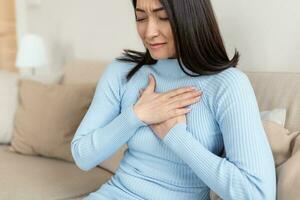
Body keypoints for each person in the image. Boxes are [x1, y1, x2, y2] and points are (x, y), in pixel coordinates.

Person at [71, 0, 276, 199]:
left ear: (191, 17)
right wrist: (136, 115)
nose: (149, 32)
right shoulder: (122, 72)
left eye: (164, 17)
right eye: (140, 17)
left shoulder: (228, 84)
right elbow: (82, 156)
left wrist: (175, 136)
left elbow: (256, 194)